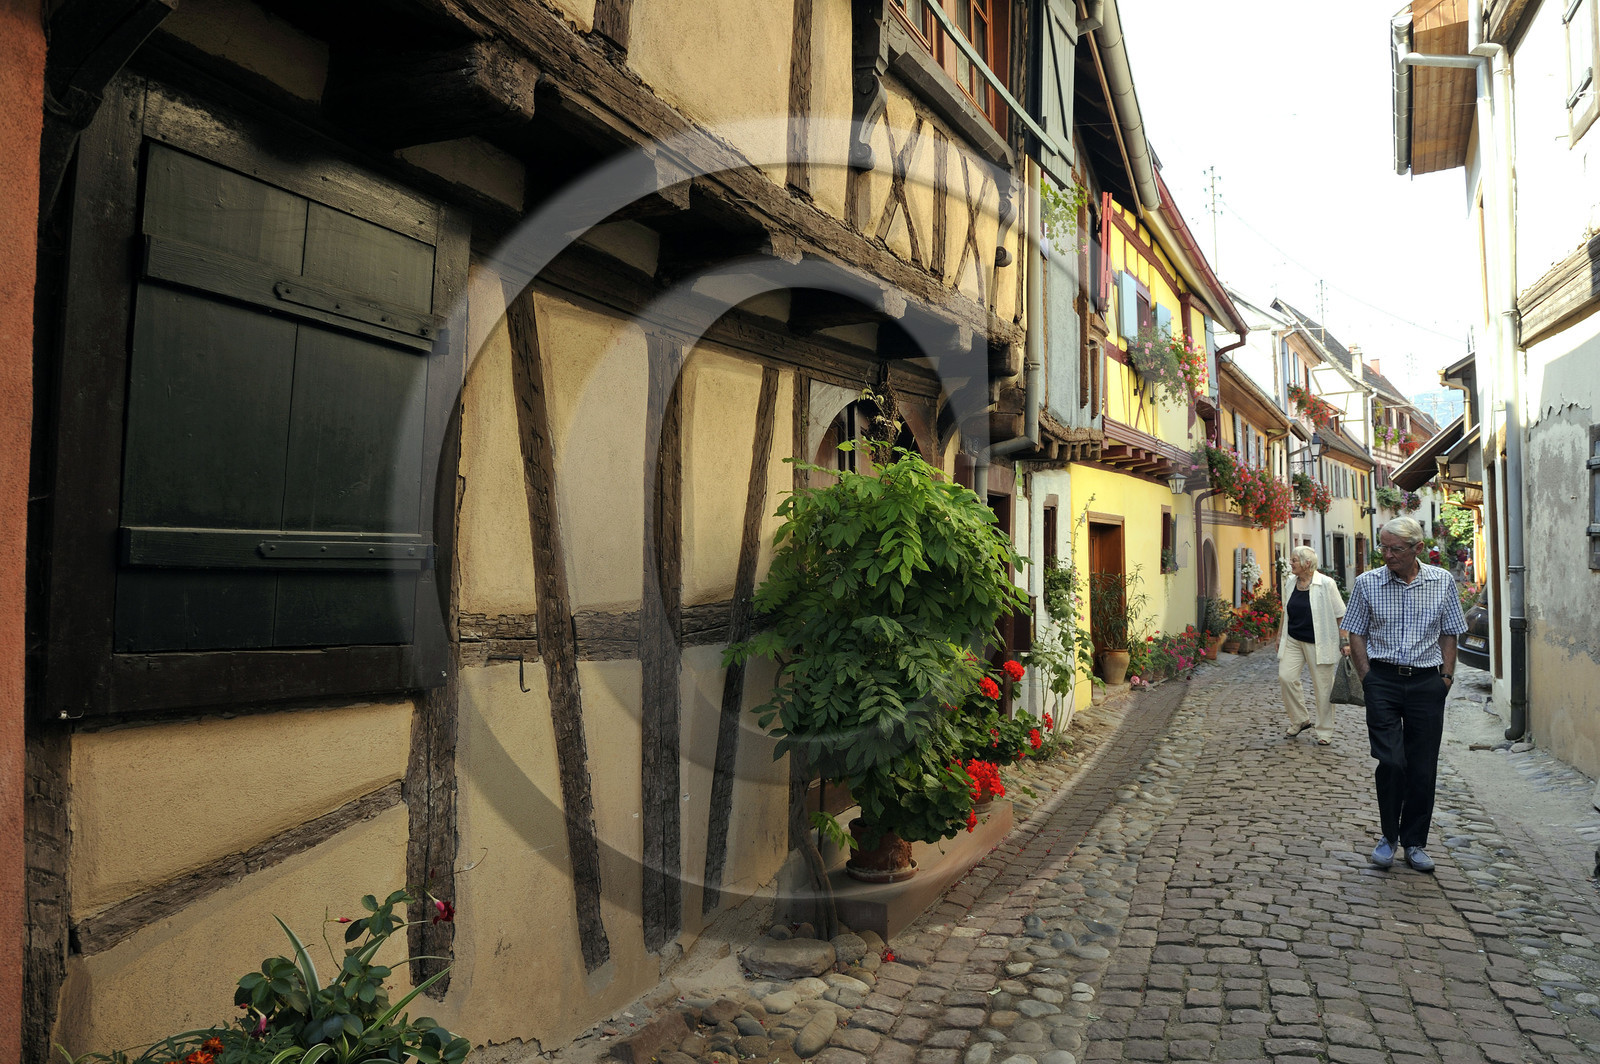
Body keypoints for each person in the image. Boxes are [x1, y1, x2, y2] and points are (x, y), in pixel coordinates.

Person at [1341, 517, 1468, 874]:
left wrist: (1445, 676)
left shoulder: (1441, 582)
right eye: (1383, 547)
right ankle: (1388, 837)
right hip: (1382, 680)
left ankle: (1415, 842)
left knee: (1422, 767)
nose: (1387, 554)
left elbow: (1450, 632)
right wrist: (1367, 677)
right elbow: (1355, 632)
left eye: (1395, 548)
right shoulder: (1368, 583)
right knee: (1392, 761)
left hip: (1427, 683)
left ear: (1417, 549)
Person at [1277, 546, 1346, 746]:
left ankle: (1325, 731)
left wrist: (1345, 640)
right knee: (1286, 677)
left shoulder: (1326, 583)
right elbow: (1285, 610)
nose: (1291, 563)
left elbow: (1340, 613)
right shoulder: (1290, 582)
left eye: (1294, 560)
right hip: (1293, 639)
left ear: (1307, 564)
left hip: (1320, 641)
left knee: (1323, 687)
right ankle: (1300, 719)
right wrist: (1280, 634)